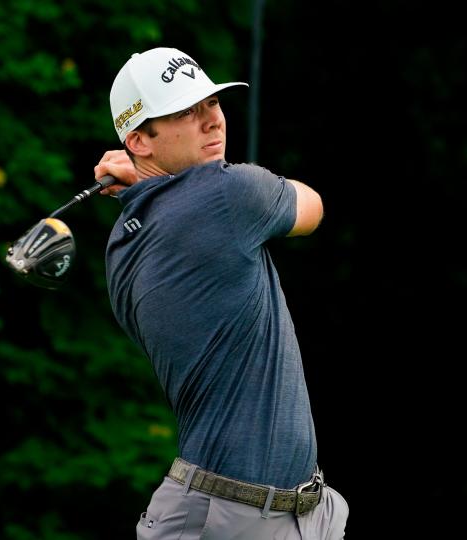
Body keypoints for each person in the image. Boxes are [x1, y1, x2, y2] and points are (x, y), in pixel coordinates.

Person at [93, 47, 348, 540]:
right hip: (231, 518)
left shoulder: (122, 246)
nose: (213, 121)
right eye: (186, 112)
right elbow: (312, 208)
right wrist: (162, 185)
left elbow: (171, 216)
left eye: (212, 102)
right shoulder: (229, 195)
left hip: (273, 510)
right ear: (138, 141)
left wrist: (144, 187)